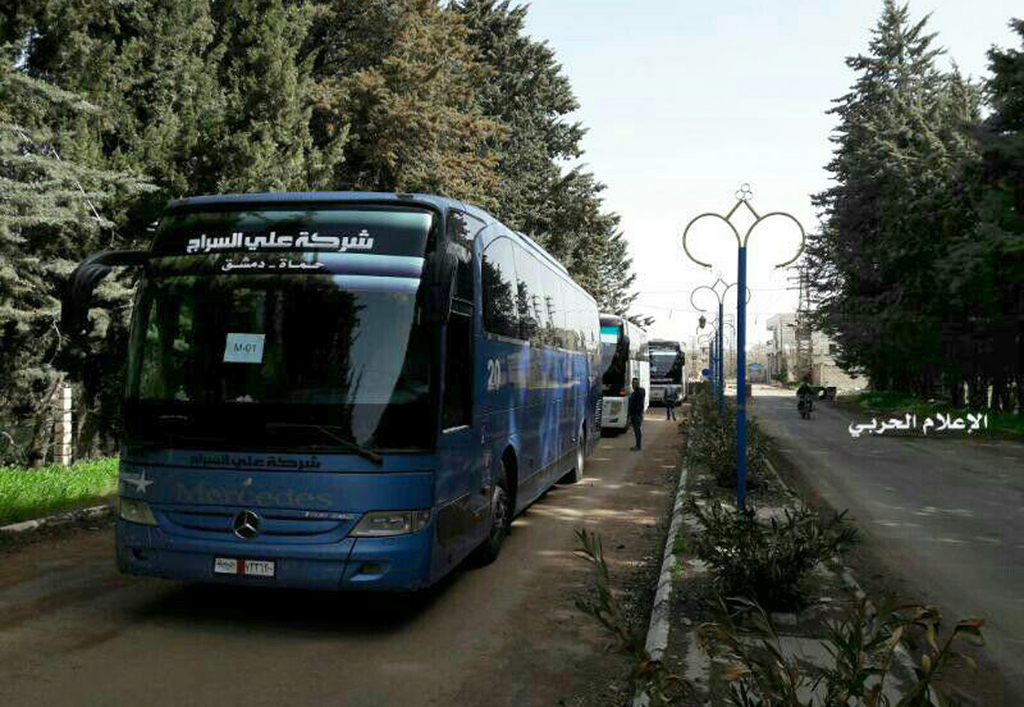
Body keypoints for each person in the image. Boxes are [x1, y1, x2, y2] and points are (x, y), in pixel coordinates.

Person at [627, 377, 646, 450]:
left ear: (637, 384)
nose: (633, 384)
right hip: (635, 414)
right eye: (632, 383)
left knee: (637, 430)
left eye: (634, 383)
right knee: (636, 430)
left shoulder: (638, 392)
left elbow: (637, 403)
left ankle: (638, 446)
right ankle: (638, 445)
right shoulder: (635, 392)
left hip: (636, 414)